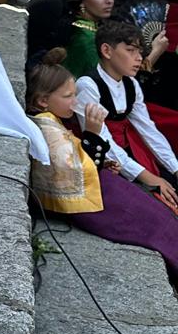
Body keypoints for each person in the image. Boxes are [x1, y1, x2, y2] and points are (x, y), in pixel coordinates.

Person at [26, 49, 178, 279]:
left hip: (97, 185)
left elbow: (79, 162)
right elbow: (72, 175)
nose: (75, 102)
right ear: (42, 101)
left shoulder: (50, 119)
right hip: (89, 199)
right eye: (68, 96)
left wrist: (103, 161)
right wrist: (93, 135)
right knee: (155, 225)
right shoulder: (46, 127)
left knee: (161, 217)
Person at [76, 19, 178, 186]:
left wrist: (175, 168)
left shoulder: (131, 84)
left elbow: (148, 130)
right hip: (104, 160)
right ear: (107, 51)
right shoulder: (88, 86)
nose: (139, 58)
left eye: (140, 52)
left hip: (130, 152)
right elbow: (104, 141)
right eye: (131, 51)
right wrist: (150, 178)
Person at [25, 0, 118, 83]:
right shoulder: (86, 40)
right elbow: (111, 82)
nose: (109, 0)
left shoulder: (89, 29)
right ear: (81, 1)